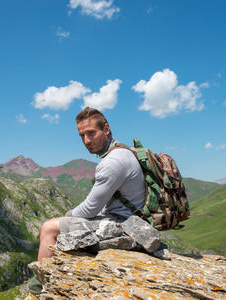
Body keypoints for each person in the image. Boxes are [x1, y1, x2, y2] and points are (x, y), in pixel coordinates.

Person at [26, 107, 146, 297]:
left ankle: (39, 288)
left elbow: (91, 208)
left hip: (123, 224)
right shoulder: (123, 151)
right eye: (82, 135)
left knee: (49, 228)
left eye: (91, 133)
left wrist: (68, 215)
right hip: (131, 220)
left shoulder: (112, 162)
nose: (87, 141)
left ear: (106, 129)